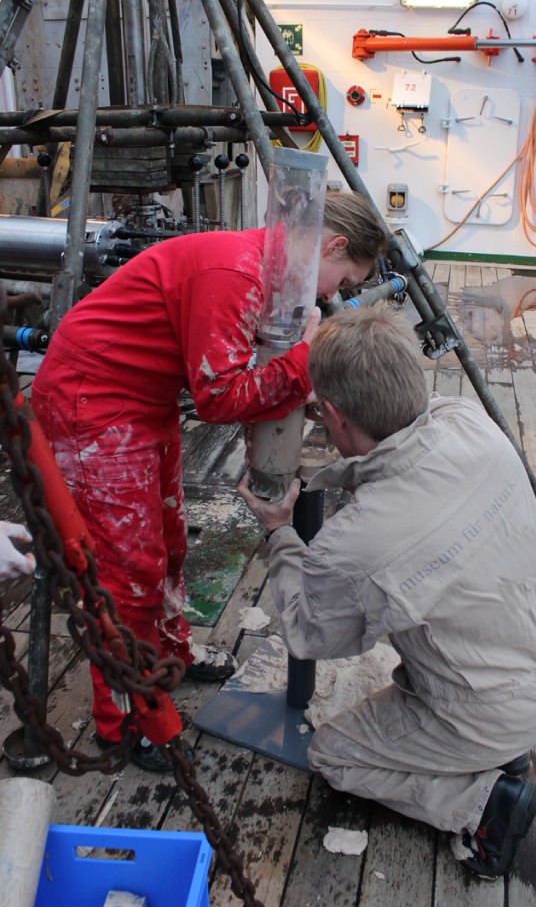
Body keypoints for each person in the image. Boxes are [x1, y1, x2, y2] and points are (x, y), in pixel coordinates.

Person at [31, 191, 387, 771]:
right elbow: (218, 398)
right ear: (333, 245)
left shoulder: (262, 269)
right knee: (127, 570)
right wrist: (302, 360)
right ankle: (122, 719)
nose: (331, 294)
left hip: (141, 401)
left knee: (168, 542)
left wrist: (296, 361)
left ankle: (167, 657)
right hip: (90, 405)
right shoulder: (237, 273)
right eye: (340, 279)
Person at [238, 303, 536, 879]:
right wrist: (334, 472)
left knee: (334, 754)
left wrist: (279, 531)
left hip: (490, 711)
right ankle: (491, 749)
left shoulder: (359, 546)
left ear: (333, 416)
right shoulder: (466, 420)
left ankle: (483, 804)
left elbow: (306, 632)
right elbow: (394, 463)